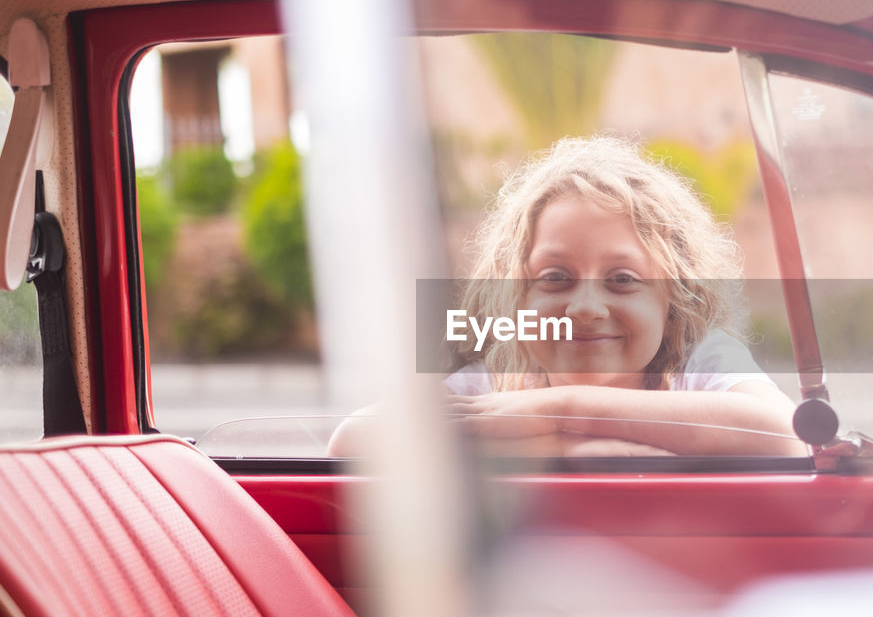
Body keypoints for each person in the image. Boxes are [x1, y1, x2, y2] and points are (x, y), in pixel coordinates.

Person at [330, 135, 803, 457]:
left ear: (673, 298)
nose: (585, 308)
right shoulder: (496, 387)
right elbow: (352, 439)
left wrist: (560, 409)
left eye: (622, 279)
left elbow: (785, 432)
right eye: (555, 277)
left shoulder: (698, 363)